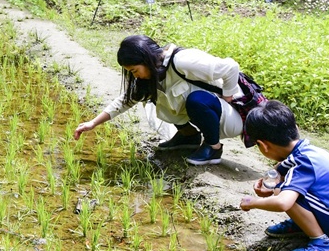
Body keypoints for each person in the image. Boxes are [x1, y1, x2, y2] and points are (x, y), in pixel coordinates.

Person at [73, 34, 246, 165]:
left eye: (134, 70)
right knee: (157, 96)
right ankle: (189, 137)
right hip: (211, 113)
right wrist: (93, 123)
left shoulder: (182, 61)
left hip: (230, 116)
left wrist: (228, 97)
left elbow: (231, 67)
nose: (135, 76)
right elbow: (126, 100)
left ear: (146, 59)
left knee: (196, 99)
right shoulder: (154, 74)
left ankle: (213, 148)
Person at [238, 100, 329, 251]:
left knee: (281, 190)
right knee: (281, 186)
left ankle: (323, 244)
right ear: (295, 128)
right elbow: (281, 168)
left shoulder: (303, 163)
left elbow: (282, 203)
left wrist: (253, 202)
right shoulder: (305, 151)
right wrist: (269, 180)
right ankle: (301, 225)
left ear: (263, 145)